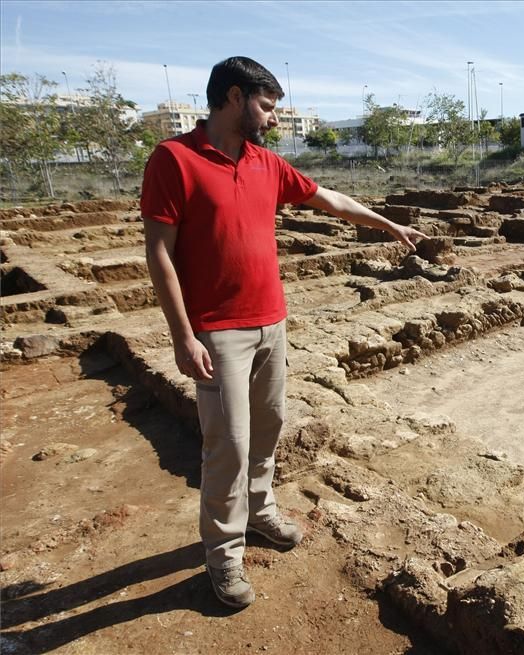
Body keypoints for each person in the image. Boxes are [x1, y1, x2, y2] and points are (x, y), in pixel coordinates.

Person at [141, 56, 426, 609]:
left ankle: (260, 509)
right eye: (267, 106)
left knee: (268, 430)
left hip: (272, 321)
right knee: (227, 444)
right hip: (218, 332)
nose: (273, 119)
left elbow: (330, 201)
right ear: (232, 97)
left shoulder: (266, 164)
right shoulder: (173, 159)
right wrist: (182, 335)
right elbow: (159, 252)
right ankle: (223, 555)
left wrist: (388, 223)